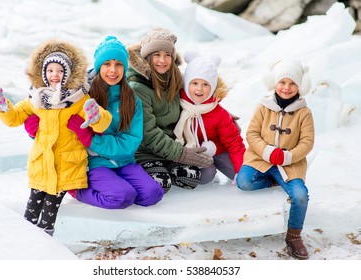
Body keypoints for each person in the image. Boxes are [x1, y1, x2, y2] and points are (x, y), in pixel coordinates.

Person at [0, 39, 112, 236]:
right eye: (50, 71)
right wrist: (3, 107)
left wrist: (95, 115)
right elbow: (15, 118)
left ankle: (45, 245)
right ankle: (25, 242)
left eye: (60, 71)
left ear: (68, 74)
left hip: (66, 166)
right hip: (42, 165)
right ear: (44, 74)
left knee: (49, 210)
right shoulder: (36, 99)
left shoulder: (79, 99)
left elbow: (103, 122)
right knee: (31, 209)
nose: (55, 75)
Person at [66, 36, 164, 209]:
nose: (113, 70)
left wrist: (91, 140)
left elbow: (131, 142)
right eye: (107, 64)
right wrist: (33, 130)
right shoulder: (82, 96)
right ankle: (78, 191)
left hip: (124, 160)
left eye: (118, 64)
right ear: (99, 66)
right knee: (122, 196)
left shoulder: (131, 99)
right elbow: (58, 124)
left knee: (152, 194)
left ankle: (118, 184)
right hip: (95, 163)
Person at [236, 58, 314, 259]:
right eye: (282, 82)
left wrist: (288, 156)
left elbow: (307, 143)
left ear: (300, 86)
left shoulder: (304, 113)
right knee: (244, 182)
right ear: (274, 83)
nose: (286, 88)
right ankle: (271, 180)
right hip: (261, 158)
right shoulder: (263, 106)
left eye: (292, 83)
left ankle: (294, 235)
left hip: (290, 164)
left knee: (300, 196)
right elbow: (252, 134)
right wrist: (268, 151)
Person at [126, 27, 213, 194]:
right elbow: (147, 132)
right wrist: (180, 154)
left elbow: (195, 96)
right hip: (145, 151)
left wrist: (215, 109)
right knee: (161, 184)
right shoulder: (138, 87)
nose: (162, 60)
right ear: (147, 56)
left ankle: (167, 166)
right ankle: (140, 171)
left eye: (167, 55)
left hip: (172, 145)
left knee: (192, 178)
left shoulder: (175, 77)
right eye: (156, 55)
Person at [173, 51, 246, 185]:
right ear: (187, 82)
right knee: (206, 176)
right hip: (192, 152)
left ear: (212, 87)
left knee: (239, 171)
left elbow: (234, 142)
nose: (199, 89)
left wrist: (240, 171)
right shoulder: (178, 105)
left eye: (205, 84)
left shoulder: (218, 113)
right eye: (194, 83)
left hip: (218, 150)